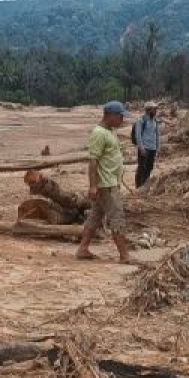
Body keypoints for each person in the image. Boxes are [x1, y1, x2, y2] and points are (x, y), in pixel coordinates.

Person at [76, 101, 132, 263]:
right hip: (105, 184)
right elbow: (93, 161)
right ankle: (124, 255)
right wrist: (93, 186)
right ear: (110, 115)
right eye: (120, 116)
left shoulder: (109, 131)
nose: (122, 120)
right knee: (117, 217)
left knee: (95, 217)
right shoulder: (99, 133)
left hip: (109, 182)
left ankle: (83, 249)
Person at [133, 100, 161, 187]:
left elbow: (157, 135)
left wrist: (158, 147)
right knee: (141, 168)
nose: (156, 111)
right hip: (144, 148)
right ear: (149, 110)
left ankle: (145, 185)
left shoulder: (155, 121)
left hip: (152, 148)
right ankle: (138, 186)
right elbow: (138, 135)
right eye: (154, 109)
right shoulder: (141, 120)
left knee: (149, 167)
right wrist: (141, 148)